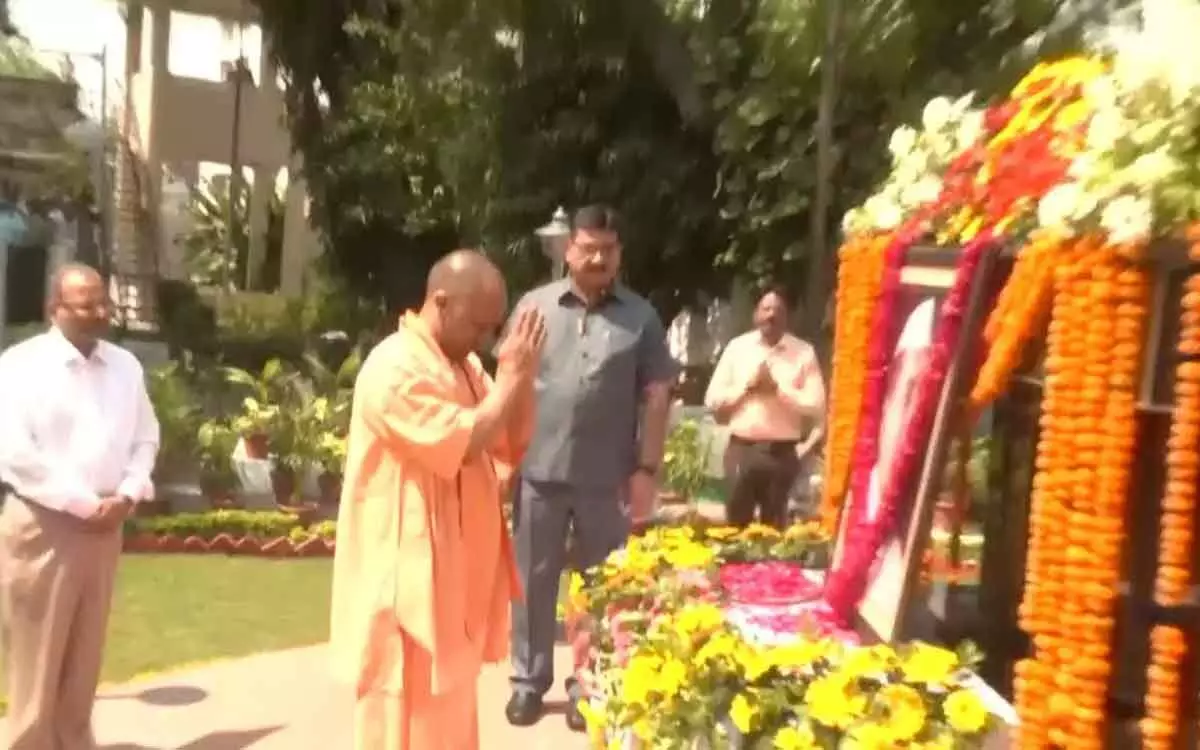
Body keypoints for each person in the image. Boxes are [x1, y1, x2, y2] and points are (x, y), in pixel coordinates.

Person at [329, 249, 545, 750]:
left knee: (450, 725)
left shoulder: (464, 366)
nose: (487, 340)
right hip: (403, 595)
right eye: (479, 325)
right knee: (401, 726)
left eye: (495, 328)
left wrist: (524, 376)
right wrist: (510, 378)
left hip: (452, 585)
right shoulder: (394, 367)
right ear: (441, 302)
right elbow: (466, 440)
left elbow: (509, 438)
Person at [505, 204, 678, 731]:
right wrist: (502, 461)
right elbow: (508, 383)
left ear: (619, 254)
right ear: (568, 250)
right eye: (587, 247)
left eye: (608, 249)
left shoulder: (641, 318)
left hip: (609, 479)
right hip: (539, 472)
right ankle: (527, 682)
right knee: (531, 581)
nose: (598, 257)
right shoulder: (534, 308)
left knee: (597, 587)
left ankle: (589, 682)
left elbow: (656, 395)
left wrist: (647, 469)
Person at [0, 263, 160, 750]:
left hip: (104, 530)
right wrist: (83, 504)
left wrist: (129, 492)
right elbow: (13, 451)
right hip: (43, 527)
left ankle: (73, 741)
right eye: (85, 304)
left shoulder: (125, 367)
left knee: (84, 659)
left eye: (102, 302)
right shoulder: (20, 365)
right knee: (37, 663)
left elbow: (146, 436)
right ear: (56, 309)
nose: (98, 312)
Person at [705, 286, 825, 528]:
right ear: (755, 314)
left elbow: (816, 404)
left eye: (778, 310)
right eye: (766, 308)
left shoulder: (803, 352)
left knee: (774, 529)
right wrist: (747, 387)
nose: (771, 315)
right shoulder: (737, 348)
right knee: (735, 528)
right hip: (741, 449)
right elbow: (712, 399)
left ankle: (772, 567)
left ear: (787, 317)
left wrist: (778, 391)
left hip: (781, 454)